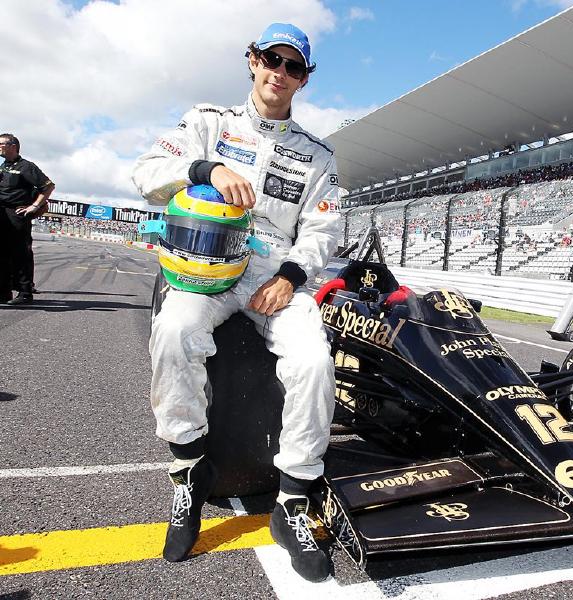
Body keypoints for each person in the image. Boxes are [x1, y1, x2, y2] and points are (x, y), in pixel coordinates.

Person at [131, 23, 339, 582]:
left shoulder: (318, 156)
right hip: (209, 266)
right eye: (273, 59)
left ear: (304, 79)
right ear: (252, 60)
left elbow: (322, 234)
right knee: (174, 333)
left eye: (294, 67)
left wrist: (292, 277)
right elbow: (145, 174)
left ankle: (292, 499)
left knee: (316, 362)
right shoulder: (208, 122)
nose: (281, 72)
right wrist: (206, 169)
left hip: (275, 274)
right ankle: (189, 477)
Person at [0, 133, 54, 305]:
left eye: (0, 143)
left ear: (12, 146)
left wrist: (35, 206)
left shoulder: (26, 166)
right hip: (2, 214)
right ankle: (4, 292)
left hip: (17, 215)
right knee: (3, 255)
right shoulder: (4, 166)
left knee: (20, 254)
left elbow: (48, 186)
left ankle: (25, 292)